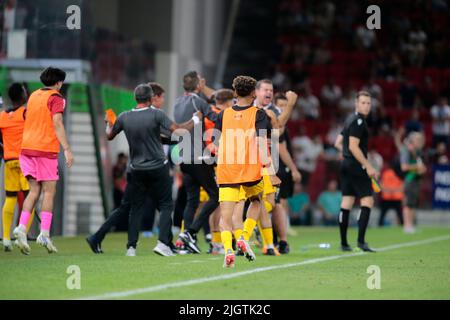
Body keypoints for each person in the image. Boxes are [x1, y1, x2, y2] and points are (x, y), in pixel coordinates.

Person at [104, 83, 201, 257]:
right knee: (165, 205)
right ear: (150, 98)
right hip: (157, 167)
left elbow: (109, 135)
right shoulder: (156, 114)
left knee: (136, 208)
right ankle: (163, 244)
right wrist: (195, 119)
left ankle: (131, 248)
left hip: (136, 169)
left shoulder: (124, 116)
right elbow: (180, 131)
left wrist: (107, 124)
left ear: (135, 98)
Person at [14, 67, 74, 255]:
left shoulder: (33, 95)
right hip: (44, 150)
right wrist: (67, 149)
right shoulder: (56, 98)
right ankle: (44, 234)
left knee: (34, 190)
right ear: (58, 83)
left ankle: (22, 228)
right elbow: (57, 122)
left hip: (26, 149)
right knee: (49, 192)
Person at [215, 75, 271, 267]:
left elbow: (216, 143)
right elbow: (262, 143)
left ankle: (228, 251)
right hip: (250, 170)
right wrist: (270, 169)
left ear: (235, 93)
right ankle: (244, 237)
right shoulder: (259, 114)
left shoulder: (223, 114)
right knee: (256, 201)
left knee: (225, 217)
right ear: (254, 93)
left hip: (226, 169)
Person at [174, 71, 220, 254]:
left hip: (183, 157)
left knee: (192, 200)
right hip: (198, 157)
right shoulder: (198, 102)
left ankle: (186, 239)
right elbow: (216, 117)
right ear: (198, 85)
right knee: (216, 195)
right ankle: (191, 233)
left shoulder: (177, 102)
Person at [334, 91, 378, 252]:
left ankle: (344, 243)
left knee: (347, 202)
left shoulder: (349, 120)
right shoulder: (359, 121)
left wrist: (345, 154)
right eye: (363, 102)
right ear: (356, 104)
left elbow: (337, 142)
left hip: (346, 164)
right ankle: (361, 241)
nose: (366, 106)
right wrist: (368, 165)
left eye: (368, 103)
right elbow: (353, 146)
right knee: (367, 201)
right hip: (356, 165)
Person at [0, 83, 34, 251]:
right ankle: (22, 236)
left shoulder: (2, 117)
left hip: (9, 161)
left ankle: (6, 238)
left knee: (10, 198)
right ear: (22, 96)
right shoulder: (25, 113)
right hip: (25, 160)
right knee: (30, 198)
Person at [400, 132, 426, 234]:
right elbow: (404, 167)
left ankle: (410, 224)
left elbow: (420, 166)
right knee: (408, 204)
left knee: (413, 203)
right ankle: (407, 225)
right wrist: (417, 167)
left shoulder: (417, 151)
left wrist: (421, 169)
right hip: (409, 180)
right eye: (418, 140)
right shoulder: (406, 150)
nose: (420, 142)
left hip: (416, 180)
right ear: (412, 141)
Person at [378, 162, 404, 227]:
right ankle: (402, 226)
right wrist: (394, 190)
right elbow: (402, 186)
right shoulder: (399, 174)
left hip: (387, 197)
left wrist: (388, 190)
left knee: (382, 215)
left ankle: (380, 226)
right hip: (396, 197)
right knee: (400, 215)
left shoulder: (386, 173)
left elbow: (381, 185)